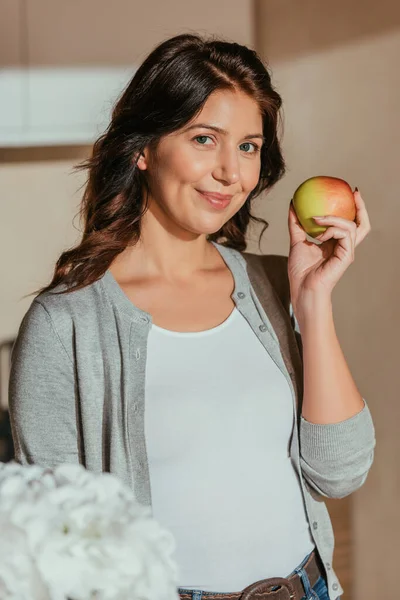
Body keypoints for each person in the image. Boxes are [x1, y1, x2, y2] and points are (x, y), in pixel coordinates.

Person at [8, 33, 375, 600]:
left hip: (308, 588)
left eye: (249, 146)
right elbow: (53, 545)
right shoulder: (67, 324)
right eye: (205, 139)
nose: (231, 172)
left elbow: (340, 471)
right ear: (144, 148)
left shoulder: (275, 284)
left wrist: (314, 303)